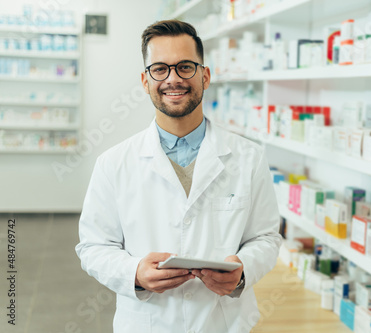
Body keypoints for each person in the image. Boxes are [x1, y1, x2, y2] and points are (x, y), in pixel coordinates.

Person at [75, 19, 281, 333]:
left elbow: (265, 238)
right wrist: (135, 272)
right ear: (145, 80)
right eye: (160, 69)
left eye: (185, 66)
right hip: (147, 323)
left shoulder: (248, 157)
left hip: (224, 322)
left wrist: (243, 271)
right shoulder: (113, 163)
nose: (173, 79)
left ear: (205, 75)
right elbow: (92, 247)